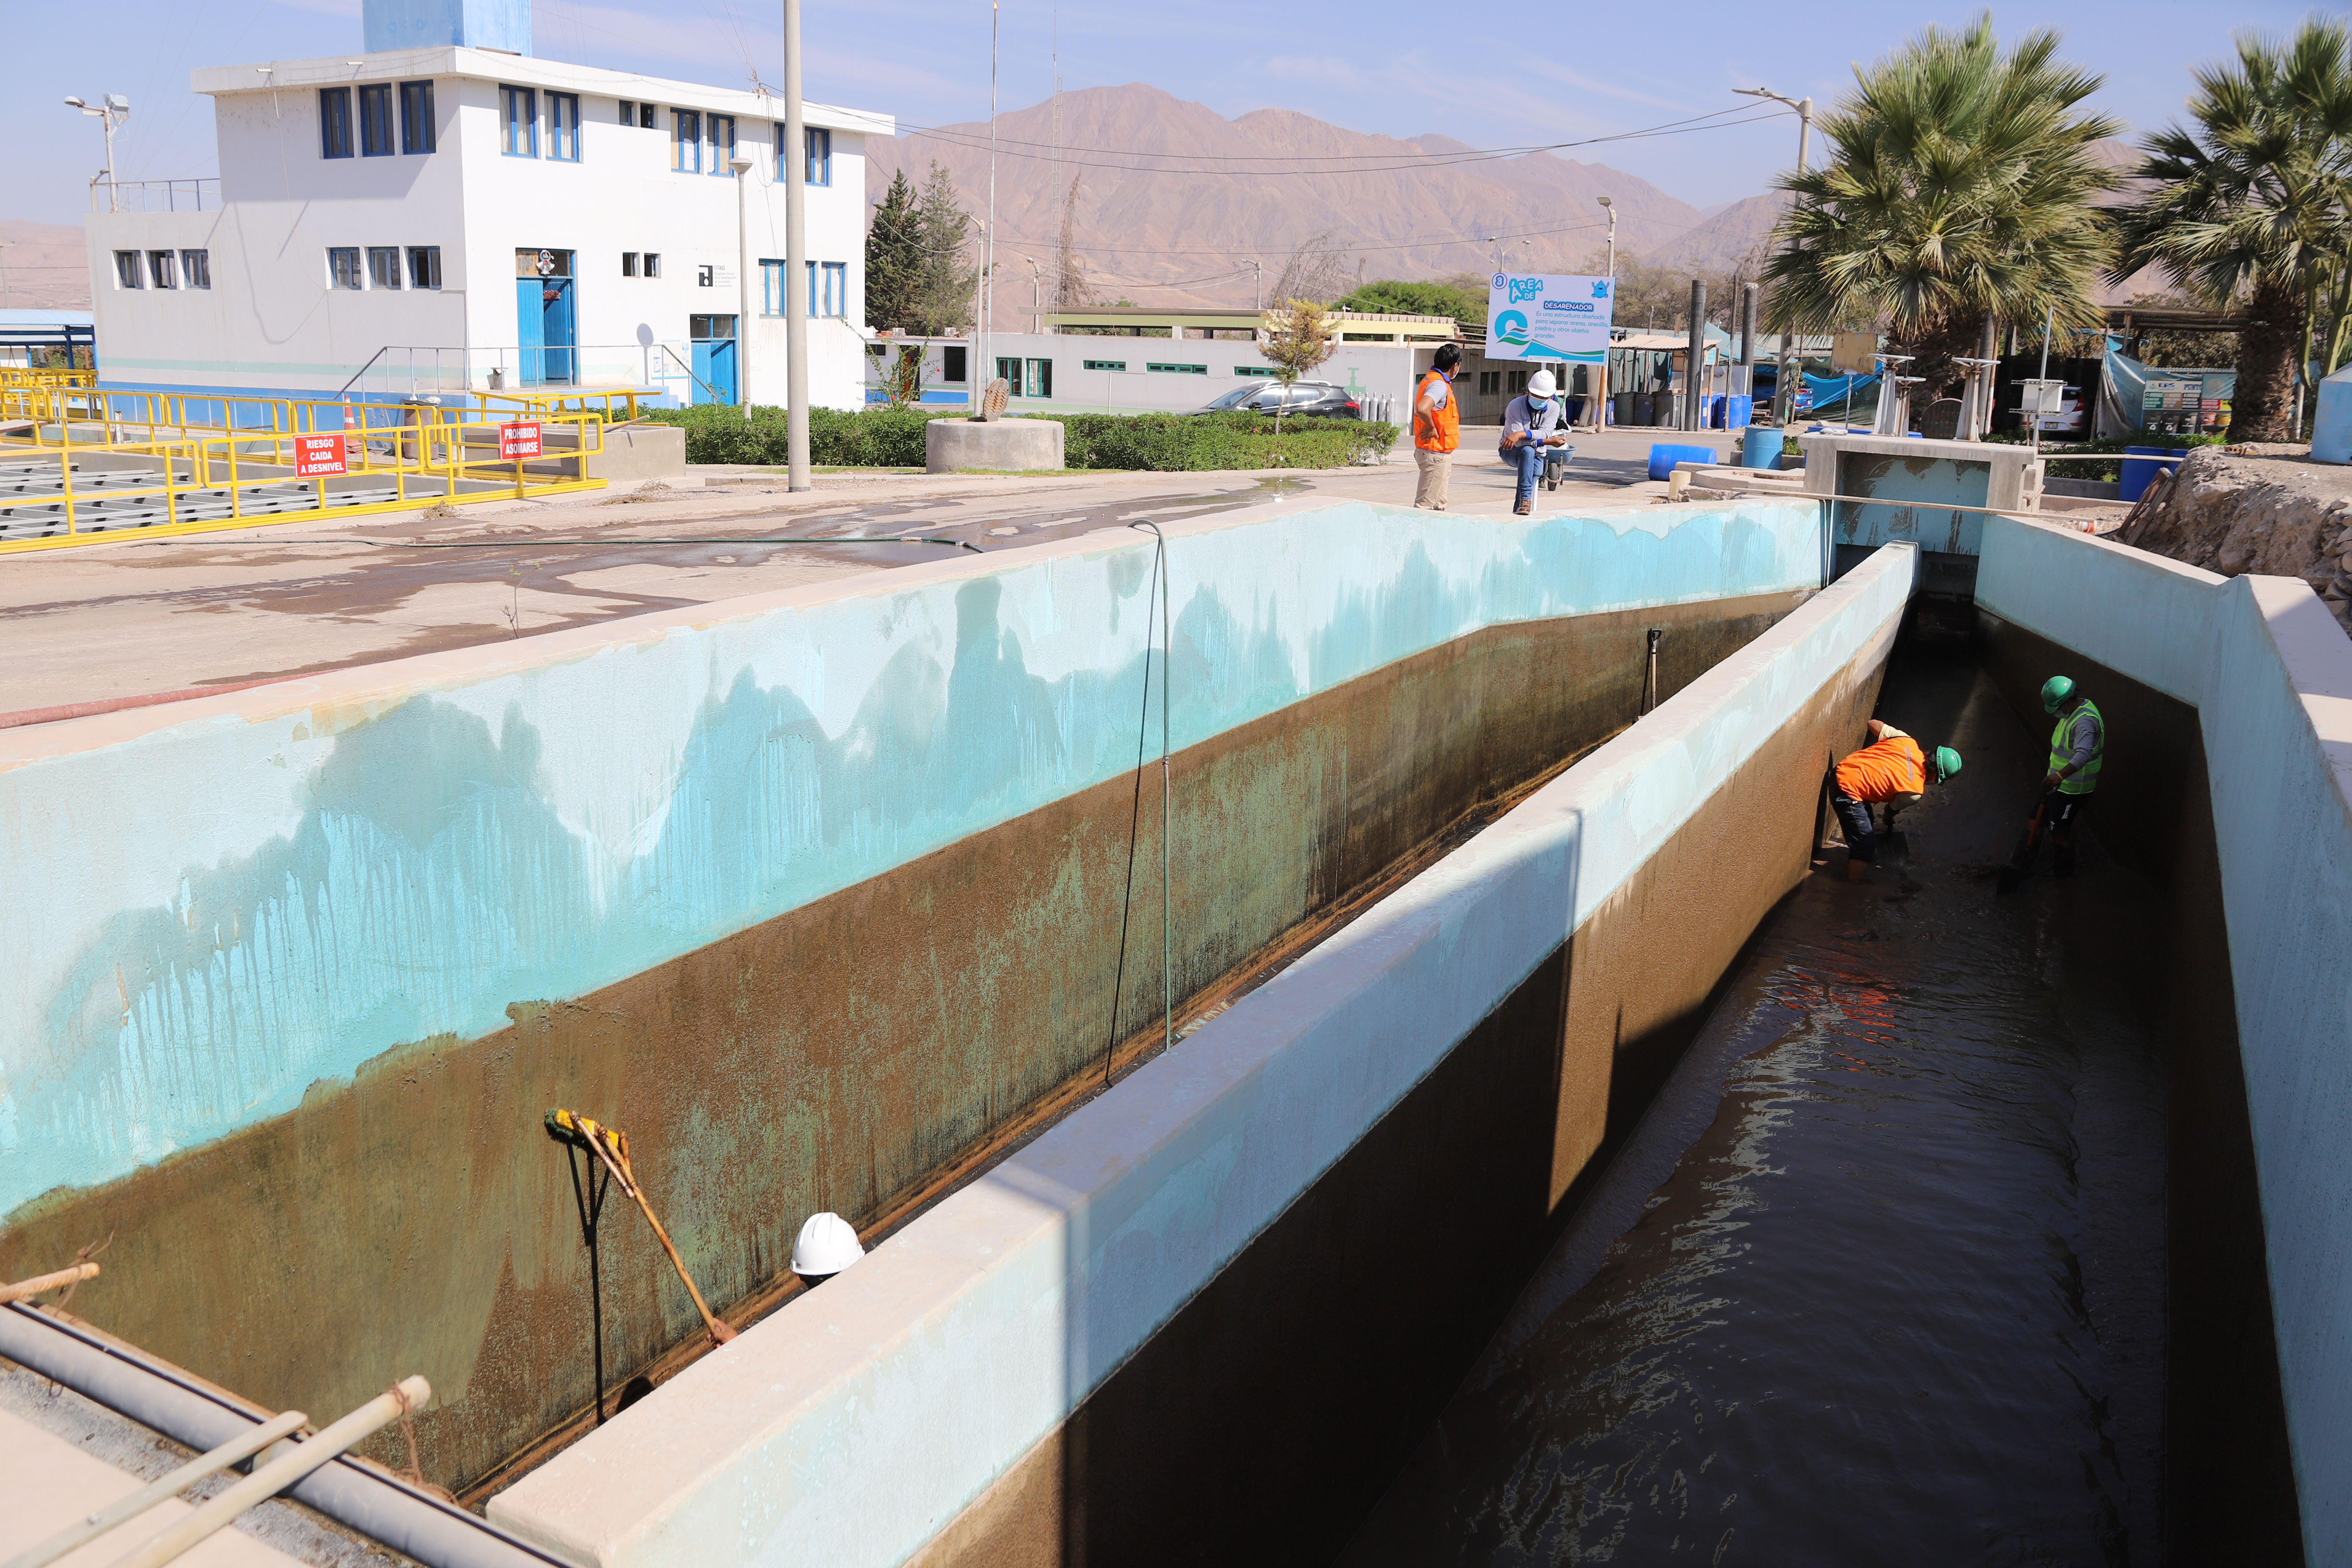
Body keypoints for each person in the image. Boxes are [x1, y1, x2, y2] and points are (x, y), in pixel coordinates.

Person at [1830, 718, 1963, 881]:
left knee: (1868, 820)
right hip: (1847, 792)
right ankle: (1852, 890)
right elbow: (1890, 810)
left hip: (1841, 769)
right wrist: (1888, 819)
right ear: (1935, 775)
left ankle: (1854, 852)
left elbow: (1872, 723)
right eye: (1937, 781)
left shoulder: (1906, 741)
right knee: (1865, 849)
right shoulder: (1914, 792)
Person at [2006, 675, 2104, 883]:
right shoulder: (2071, 714)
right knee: (2034, 821)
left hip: (2072, 789)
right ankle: (2022, 864)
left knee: (2058, 832)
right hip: (2056, 785)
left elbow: (2084, 754)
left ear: (2067, 703)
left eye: (2057, 708)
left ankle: (2064, 876)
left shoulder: (2084, 722)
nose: (2057, 713)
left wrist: (2059, 776)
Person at [1499, 369, 1571, 516]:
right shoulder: (1516, 405)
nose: (1538, 399)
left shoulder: (1554, 408)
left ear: (1551, 397)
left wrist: (1522, 434)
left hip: (1538, 454)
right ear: (1529, 392)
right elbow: (1518, 444)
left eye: (1543, 397)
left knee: (1530, 478)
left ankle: (1520, 511)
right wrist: (1548, 441)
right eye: (1535, 395)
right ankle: (1526, 499)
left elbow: (1545, 431)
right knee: (1527, 451)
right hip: (1511, 450)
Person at [1412, 343, 1463, 510]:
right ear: (1456, 366)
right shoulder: (1439, 385)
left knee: (1438, 505)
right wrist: (1432, 427)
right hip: (1435, 453)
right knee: (1425, 507)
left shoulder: (1432, 379)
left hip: (1438, 453)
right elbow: (1423, 408)